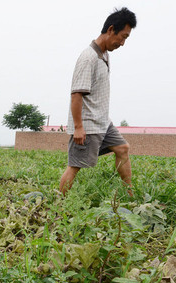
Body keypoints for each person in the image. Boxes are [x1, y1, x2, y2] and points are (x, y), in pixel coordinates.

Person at [59, 7, 137, 196]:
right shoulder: (89, 58)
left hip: (103, 122)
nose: (123, 43)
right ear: (111, 30)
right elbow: (76, 94)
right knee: (75, 166)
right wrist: (78, 127)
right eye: (123, 37)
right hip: (88, 125)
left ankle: (130, 195)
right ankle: (58, 205)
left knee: (122, 148)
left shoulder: (104, 55)